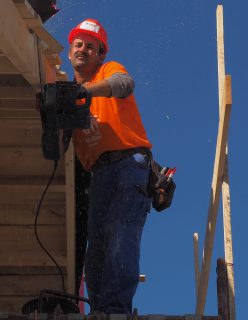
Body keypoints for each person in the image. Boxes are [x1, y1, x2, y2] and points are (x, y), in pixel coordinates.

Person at [67, 18, 153, 314]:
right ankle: (101, 310)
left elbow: (125, 84)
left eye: (91, 47)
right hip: (99, 174)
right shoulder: (70, 98)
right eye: (78, 45)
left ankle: (116, 310)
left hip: (128, 164)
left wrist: (87, 93)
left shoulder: (109, 71)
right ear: (70, 53)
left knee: (120, 234)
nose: (83, 50)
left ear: (101, 54)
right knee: (96, 251)